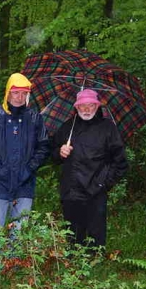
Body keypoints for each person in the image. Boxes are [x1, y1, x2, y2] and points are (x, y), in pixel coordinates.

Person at [0, 73, 51, 267]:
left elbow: (44, 147)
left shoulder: (34, 118)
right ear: (8, 93)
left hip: (25, 185)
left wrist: (30, 168)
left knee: (20, 231)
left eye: (23, 93)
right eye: (15, 92)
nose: (19, 97)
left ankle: (14, 271)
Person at [52, 89, 128, 249]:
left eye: (91, 106)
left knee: (96, 235)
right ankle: (73, 267)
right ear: (76, 107)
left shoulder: (108, 128)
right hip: (71, 191)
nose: (86, 110)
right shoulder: (67, 127)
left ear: (97, 106)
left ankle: (96, 267)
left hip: (96, 191)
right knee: (72, 235)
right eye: (82, 106)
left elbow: (120, 162)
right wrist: (60, 152)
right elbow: (52, 155)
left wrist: (104, 183)